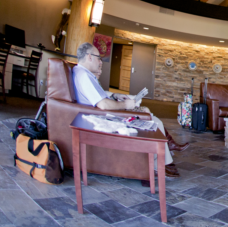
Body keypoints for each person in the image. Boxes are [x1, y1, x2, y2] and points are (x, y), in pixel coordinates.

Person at [72, 42, 189, 179]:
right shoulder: (84, 76)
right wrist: (127, 105)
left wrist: (114, 95)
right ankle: (161, 164)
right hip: (104, 116)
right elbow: (103, 105)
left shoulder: (82, 73)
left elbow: (98, 96)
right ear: (89, 57)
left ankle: (166, 157)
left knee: (149, 115)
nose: (100, 62)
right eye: (99, 58)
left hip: (104, 113)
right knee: (154, 121)